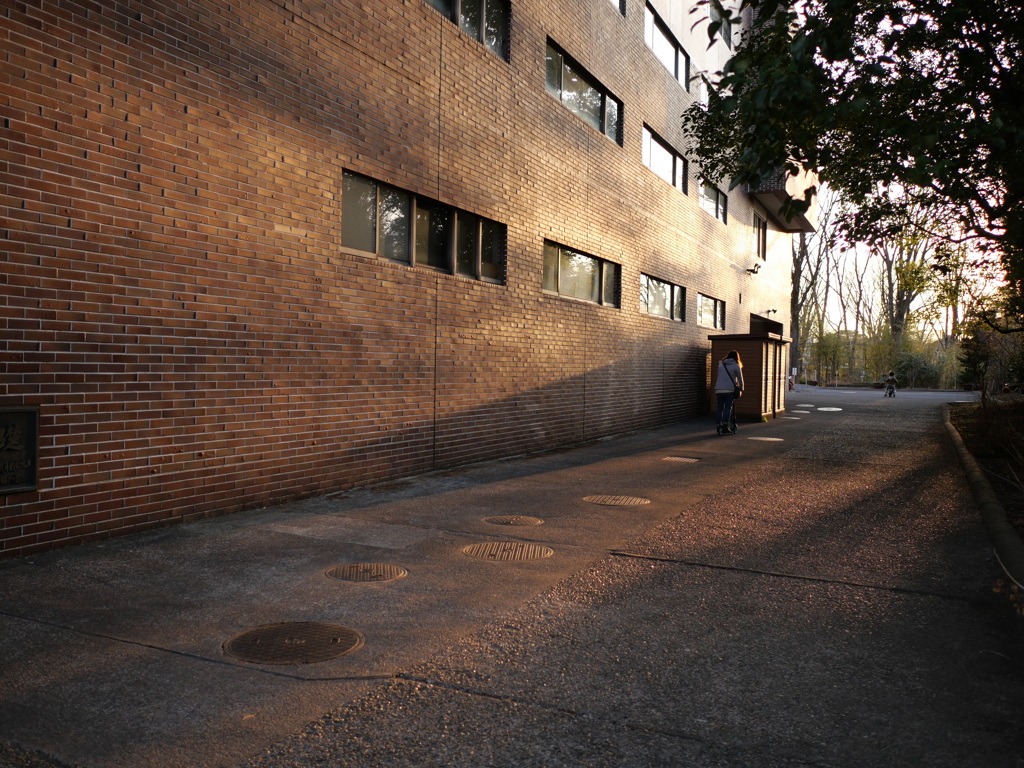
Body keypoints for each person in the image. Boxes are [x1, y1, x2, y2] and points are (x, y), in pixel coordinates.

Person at [714, 350, 745, 435]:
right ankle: (725, 425)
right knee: (728, 408)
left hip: (719, 389)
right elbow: (740, 379)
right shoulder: (736, 366)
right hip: (729, 390)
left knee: (720, 407)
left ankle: (718, 425)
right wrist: (741, 388)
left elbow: (718, 376)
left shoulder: (721, 365)